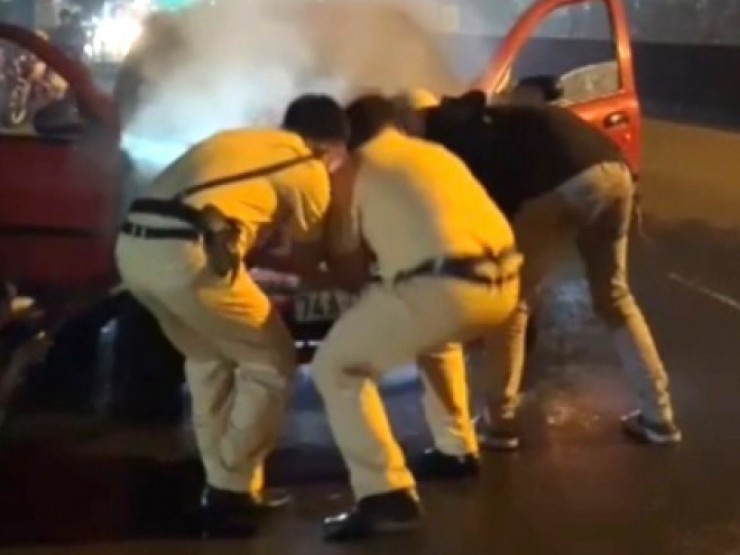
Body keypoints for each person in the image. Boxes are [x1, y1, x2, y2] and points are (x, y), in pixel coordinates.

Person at [114, 94, 349, 538]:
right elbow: (306, 255)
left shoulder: (239, 141)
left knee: (208, 359)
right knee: (272, 361)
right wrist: (338, 276)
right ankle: (231, 487)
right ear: (334, 146)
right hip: (188, 255)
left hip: (133, 249)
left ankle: (225, 484)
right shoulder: (309, 166)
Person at [395, 89, 682, 450]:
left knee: (510, 303)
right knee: (614, 296)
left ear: (412, 120)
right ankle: (659, 417)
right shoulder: (481, 119)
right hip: (615, 171)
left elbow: (473, 215)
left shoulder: (445, 139)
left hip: (562, 181)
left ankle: (499, 424)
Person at [311, 94, 522, 541]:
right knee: (435, 337)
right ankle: (456, 449)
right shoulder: (437, 154)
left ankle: (385, 495)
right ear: (396, 126)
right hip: (504, 285)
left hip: (441, 289)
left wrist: (313, 265)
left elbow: (349, 273)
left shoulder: (354, 169)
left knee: (337, 366)